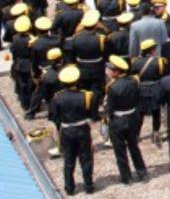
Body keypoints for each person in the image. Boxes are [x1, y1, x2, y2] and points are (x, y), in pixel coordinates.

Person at [49, 65, 98, 195]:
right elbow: (93, 115)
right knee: (86, 158)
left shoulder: (57, 98)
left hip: (66, 131)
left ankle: (69, 188)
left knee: (69, 160)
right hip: (82, 129)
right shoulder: (87, 96)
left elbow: (54, 117)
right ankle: (89, 186)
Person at [105, 55, 148, 184]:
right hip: (132, 117)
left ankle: (126, 177)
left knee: (120, 150)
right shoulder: (134, 81)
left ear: (117, 72)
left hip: (118, 120)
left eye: (110, 69)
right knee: (134, 146)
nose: (108, 71)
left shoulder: (112, 87)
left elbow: (110, 108)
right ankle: (141, 171)